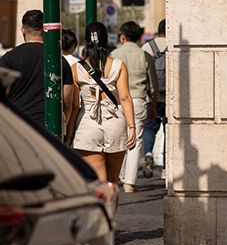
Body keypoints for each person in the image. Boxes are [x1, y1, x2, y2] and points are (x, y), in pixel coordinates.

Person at [67, 21, 137, 208]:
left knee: (99, 182)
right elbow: (125, 98)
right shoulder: (119, 65)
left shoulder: (77, 68)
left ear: (84, 42)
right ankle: (110, 225)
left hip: (87, 125)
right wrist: (132, 127)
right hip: (115, 123)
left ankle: (100, 226)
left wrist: (69, 132)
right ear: (107, 40)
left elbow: (74, 106)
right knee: (113, 183)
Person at [0, 10, 74, 132]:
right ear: (45, 30)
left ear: (23, 30)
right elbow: (67, 103)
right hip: (50, 127)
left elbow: (0, 96)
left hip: (18, 124)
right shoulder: (59, 60)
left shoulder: (8, 58)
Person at [111, 21, 158, 192]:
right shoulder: (145, 55)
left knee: (119, 140)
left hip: (117, 101)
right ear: (139, 38)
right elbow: (153, 84)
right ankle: (130, 182)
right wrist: (153, 104)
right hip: (138, 100)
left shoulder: (114, 54)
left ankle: (119, 176)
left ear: (122, 36)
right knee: (135, 141)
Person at [142, 19, 167, 179]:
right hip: (171, 96)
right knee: (169, 130)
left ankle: (148, 153)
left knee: (150, 128)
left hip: (152, 96)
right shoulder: (174, 44)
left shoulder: (147, 47)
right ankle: (166, 167)